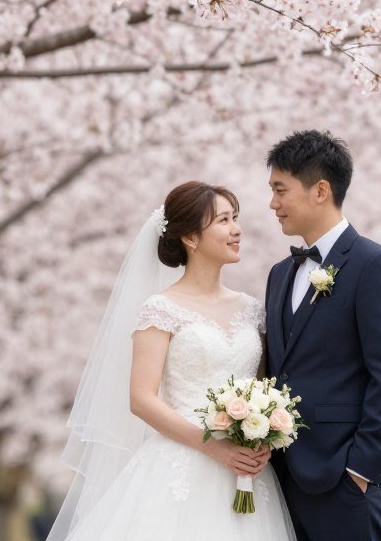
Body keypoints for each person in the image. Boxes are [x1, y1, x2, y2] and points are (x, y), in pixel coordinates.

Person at [47, 181, 295, 541]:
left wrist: (262, 440)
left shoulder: (254, 310)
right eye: (224, 220)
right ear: (191, 238)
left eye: (236, 218)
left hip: (247, 474)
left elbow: (262, 387)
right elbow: (142, 399)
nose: (237, 229)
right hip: (181, 464)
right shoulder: (160, 309)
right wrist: (213, 446)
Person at [265, 130, 381, 541]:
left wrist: (360, 472)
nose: (272, 204)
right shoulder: (279, 275)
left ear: (320, 190)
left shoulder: (375, 265)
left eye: (281, 190)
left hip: (343, 480)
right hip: (279, 479)